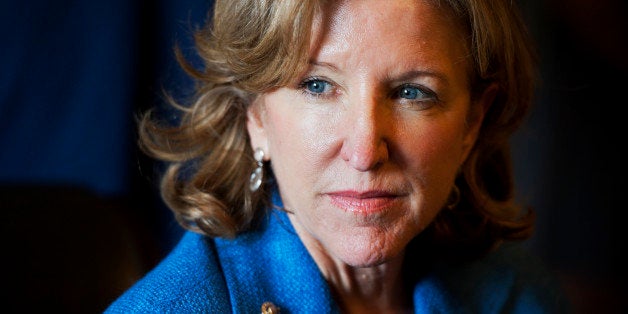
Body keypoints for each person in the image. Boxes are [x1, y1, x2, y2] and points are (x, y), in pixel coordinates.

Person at [106, 0, 571, 312]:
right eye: (317, 86)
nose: (365, 151)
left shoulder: (519, 294)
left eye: (412, 92)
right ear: (255, 114)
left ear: (472, 123)